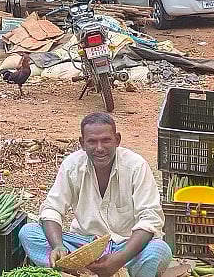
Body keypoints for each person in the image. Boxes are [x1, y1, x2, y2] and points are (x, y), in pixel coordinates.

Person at [20, 113, 171, 277]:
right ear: (82, 143)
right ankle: (83, 271)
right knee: (28, 232)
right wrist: (58, 246)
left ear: (117, 140)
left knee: (159, 250)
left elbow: (150, 218)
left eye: (106, 140)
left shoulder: (136, 166)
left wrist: (119, 258)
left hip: (125, 247)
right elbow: (52, 209)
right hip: (83, 246)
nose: (99, 148)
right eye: (92, 141)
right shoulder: (72, 166)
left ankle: (89, 272)